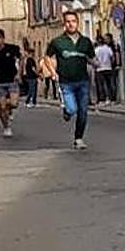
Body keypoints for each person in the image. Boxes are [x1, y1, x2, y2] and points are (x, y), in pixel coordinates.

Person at [46, 10, 96, 150]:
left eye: (73, 21)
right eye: (68, 22)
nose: (71, 24)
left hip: (83, 81)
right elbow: (47, 57)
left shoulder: (85, 42)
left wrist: (96, 63)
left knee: (83, 111)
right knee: (72, 109)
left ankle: (78, 138)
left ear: (77, 23)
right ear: (64, 24)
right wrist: (52, 72)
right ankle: (67, 111)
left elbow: (91, 58)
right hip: (66, 82)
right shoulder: (57, 42)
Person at [93, 36, 116, 106]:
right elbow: (113, 57)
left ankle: (102, 100)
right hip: (108, 68)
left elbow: (94, 60)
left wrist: (96, 66)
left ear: (97, 42)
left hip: (100, 69)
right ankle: (112, 99)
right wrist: (111, 64)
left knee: (101, 85)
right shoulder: (108, 48)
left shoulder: (96, 50)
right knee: (110, 85)